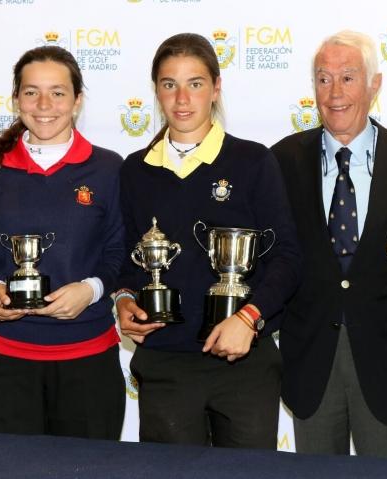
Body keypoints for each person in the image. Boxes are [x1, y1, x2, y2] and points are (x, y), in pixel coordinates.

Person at [115, 33, 301, 448]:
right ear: (156, 91)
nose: (182, 98)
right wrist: (124, 300)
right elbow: (126, 261)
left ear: (216, 88)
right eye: (169, 84)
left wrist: (248, 318)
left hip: (244, 361)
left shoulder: (253, 161)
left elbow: (287, 258)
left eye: (195, 83)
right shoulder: (136, 170)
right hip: (165, 362)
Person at [271, 30, 387, 457]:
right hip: (311, 361)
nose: (335, 92)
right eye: (323, 79)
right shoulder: (282, 159)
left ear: (374, 84)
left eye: (348, 78)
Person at [0, 46, 126, 439]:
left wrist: (92, 289)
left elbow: (119, 251)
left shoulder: (109, 168)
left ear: (77, 100)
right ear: (16, 99)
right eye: (31, 92)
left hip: (88, 356)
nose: (44, 104)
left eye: (58, 92)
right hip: (5, 357)